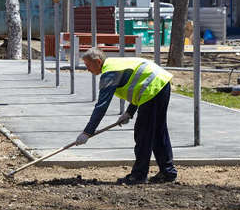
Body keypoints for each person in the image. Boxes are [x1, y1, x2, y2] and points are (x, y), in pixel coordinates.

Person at [73, 47, 176, 185]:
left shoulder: (109, 73)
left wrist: (87, 132)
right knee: (158, 131)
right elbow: (140, 84)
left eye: (87, 65)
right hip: (161, 84)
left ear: (98, 61)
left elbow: (101, 106)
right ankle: (167, 172)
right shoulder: (114, 65)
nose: (87, 69)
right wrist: (129, 112)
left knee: (143, 133)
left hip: (154, 88)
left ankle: (139, 175)